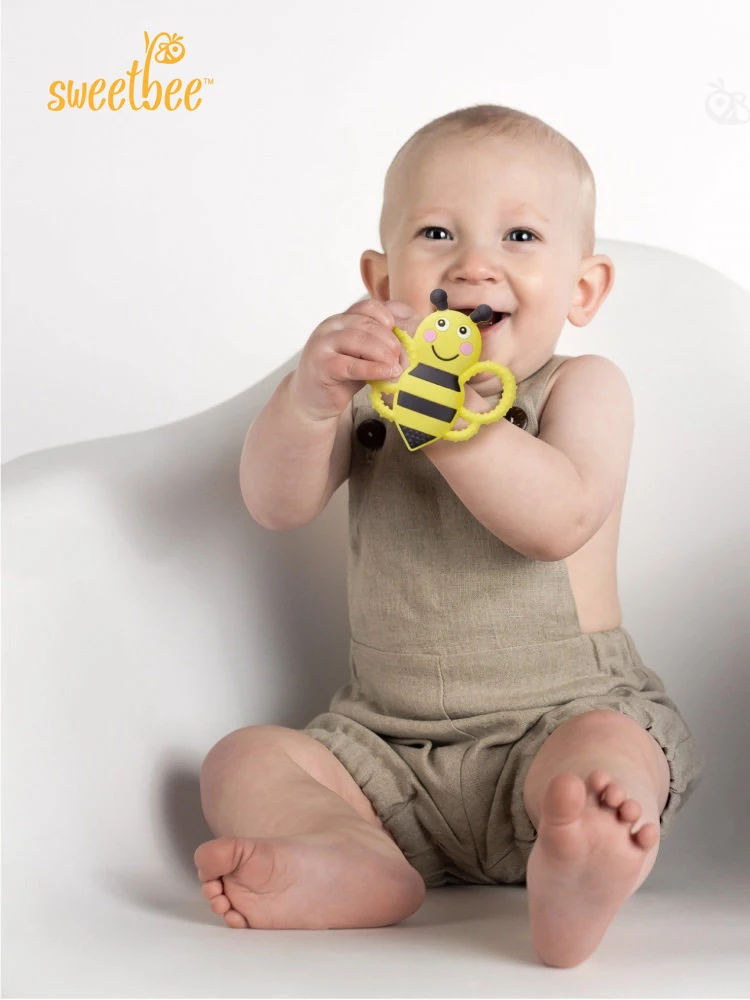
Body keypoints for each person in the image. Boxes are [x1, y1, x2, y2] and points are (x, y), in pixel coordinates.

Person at [193, 104, 704, 967]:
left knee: (614, 757)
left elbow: (559, 521)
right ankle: (356, 860)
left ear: (582, 290)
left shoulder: (581, 389)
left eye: (519, 237)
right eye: (437, 232)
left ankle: (578, 862)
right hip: (385, 753)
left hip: (555, 723)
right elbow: (275, 505)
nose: (475, 263)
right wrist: (308, 401)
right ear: (382, 275)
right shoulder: (368, 394)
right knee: (239, 760)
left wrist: (462, 432)